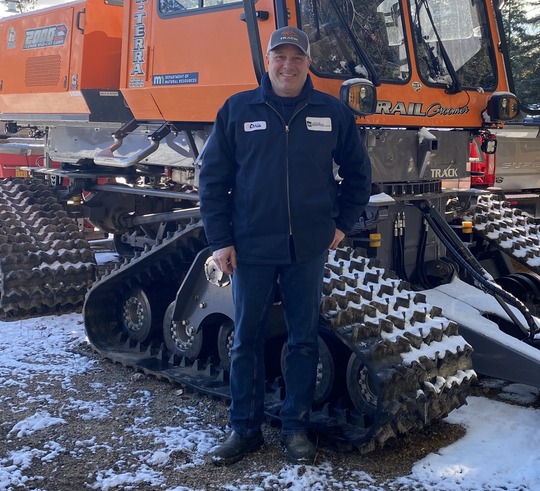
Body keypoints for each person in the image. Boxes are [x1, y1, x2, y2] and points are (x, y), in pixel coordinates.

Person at [199, 26, 372, 465]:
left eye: (297, 58)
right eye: (280, 56)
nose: (288, 65)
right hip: (252, 246)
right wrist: (220, 240)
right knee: (246, 341)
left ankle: (296, 428)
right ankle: (245, 430)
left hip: (308, 248)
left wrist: (341, 224)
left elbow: (359, 173)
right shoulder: (238, 110)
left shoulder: (331, 113)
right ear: (269, 61)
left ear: (308, 63)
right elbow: (213, 180)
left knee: (302, 340)